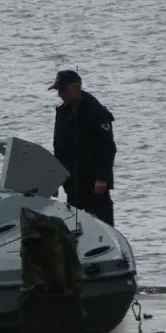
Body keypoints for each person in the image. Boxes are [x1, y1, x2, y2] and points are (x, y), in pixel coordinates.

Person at [49, 70, 117, 226]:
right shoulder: (62, 113)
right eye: (59, 90)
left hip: (93, 182)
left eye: (63, 90)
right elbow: (59, 148)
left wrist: (102, 178)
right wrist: (55, 178)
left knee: (101, 223)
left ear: (74, 87)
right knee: (75, 223)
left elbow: (107, 148)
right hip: (72, 180)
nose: (60, 94)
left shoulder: (96, 112)